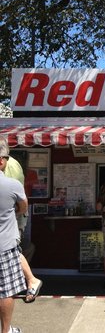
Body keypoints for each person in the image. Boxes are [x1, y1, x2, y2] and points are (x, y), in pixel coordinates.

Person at [4, 156, 42, 303]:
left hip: (11, 218)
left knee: (10, 250)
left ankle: (30, 280)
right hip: (13, 217)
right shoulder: (15, 165)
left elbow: (16, 199)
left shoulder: (10, 168)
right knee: (11, 249)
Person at [0, 139, 28, 333]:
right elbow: (23, 208)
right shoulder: (12, 185)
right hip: (5, 246)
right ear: (1, 161)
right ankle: (5, 330)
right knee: (6, 291)